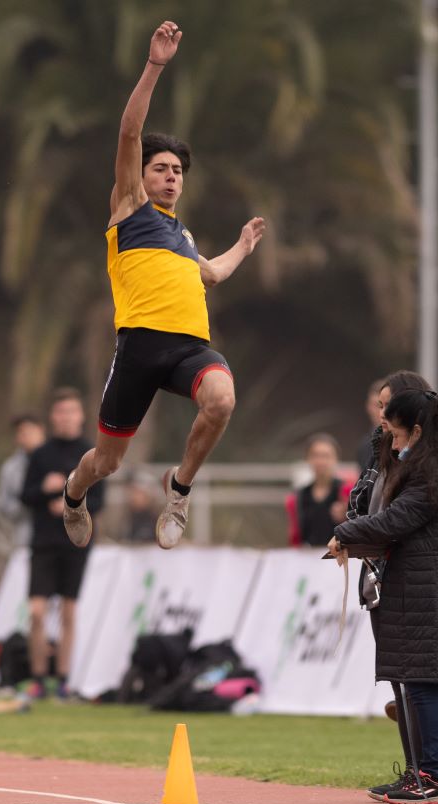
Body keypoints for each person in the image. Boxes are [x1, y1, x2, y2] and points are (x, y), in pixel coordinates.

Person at [62, 20, 266, 551]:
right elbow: (130, 133)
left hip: (187, 349)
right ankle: (74, 492)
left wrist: (243, 245)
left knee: (221, 399)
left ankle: (178, 489)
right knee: (107, 462)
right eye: (161, 168)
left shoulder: (182, 236)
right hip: (138, 349)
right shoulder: (129, 209)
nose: (171, 176)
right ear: (143, 175)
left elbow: (213, 274)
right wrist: (155, 66)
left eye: (178, 170)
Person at [331, 389, 438, 804]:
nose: (394, 445)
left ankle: (431, 777)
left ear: (418, 430)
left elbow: (398, 519)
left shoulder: (432, 469)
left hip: (428, 590)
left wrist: (345, 533)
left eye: (398, 436)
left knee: (422, 683)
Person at [21, 389, 105, 699]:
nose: (66, 417)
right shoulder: (40, 455)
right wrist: (46, 492)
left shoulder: (92, 453)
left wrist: (71, 506)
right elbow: (25, 497)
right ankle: (38, 678)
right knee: (37, 612)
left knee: (69, 612)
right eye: (60, 412)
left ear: (81, 416)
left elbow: (100, 500)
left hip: (76, 543)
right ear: (53, 417)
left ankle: (63, 679)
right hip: (43, 542)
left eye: (72, 411)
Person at [0, 413, 46, 548]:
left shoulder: (57, 460)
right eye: (21, 432)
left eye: (29, 431)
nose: (25, 436)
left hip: (58, 540)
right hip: (25, 541)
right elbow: (3, 505)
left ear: (41, 430)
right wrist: (30, 501)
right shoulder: (10, 469)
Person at [288, 434, 347, 547]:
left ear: (336, 459)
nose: (320, 461)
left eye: (326, 456)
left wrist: (347, 516)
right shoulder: (297, 497)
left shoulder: (348, 493)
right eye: (315, 455)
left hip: (339, 558)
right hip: (307, 558)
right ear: (307, 459)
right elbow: (295, 538)